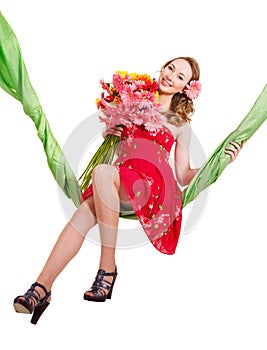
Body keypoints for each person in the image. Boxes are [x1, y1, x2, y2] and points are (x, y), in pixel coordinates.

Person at [13, 57, 244, 324]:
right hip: (118, 181)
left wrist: (219, 164)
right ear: (163, 67)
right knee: (82, 215)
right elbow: (114, 140)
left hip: (151, 186)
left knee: (102, 173)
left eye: (180, 76)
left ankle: (106, 267)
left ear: (185, 88)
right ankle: (41, 289)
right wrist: (109, 132)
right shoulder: (132, 101)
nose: (171, 76)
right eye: (170, 68)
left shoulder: (180, 124)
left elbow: (183, 175)